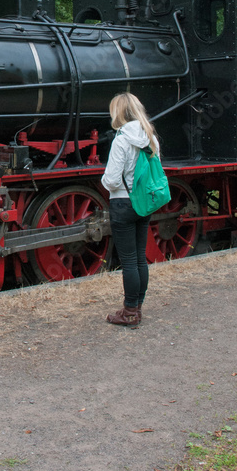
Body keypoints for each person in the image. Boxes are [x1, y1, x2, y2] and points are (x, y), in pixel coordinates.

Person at [101, 92, 159, 327]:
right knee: (139, 259)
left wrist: (105, 182)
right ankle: (138, 306)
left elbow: (113, 179)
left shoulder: (122, 139)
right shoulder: (150, 137)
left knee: (128, 260)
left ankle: (129, 312)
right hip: (144, 202)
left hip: (123, 203)